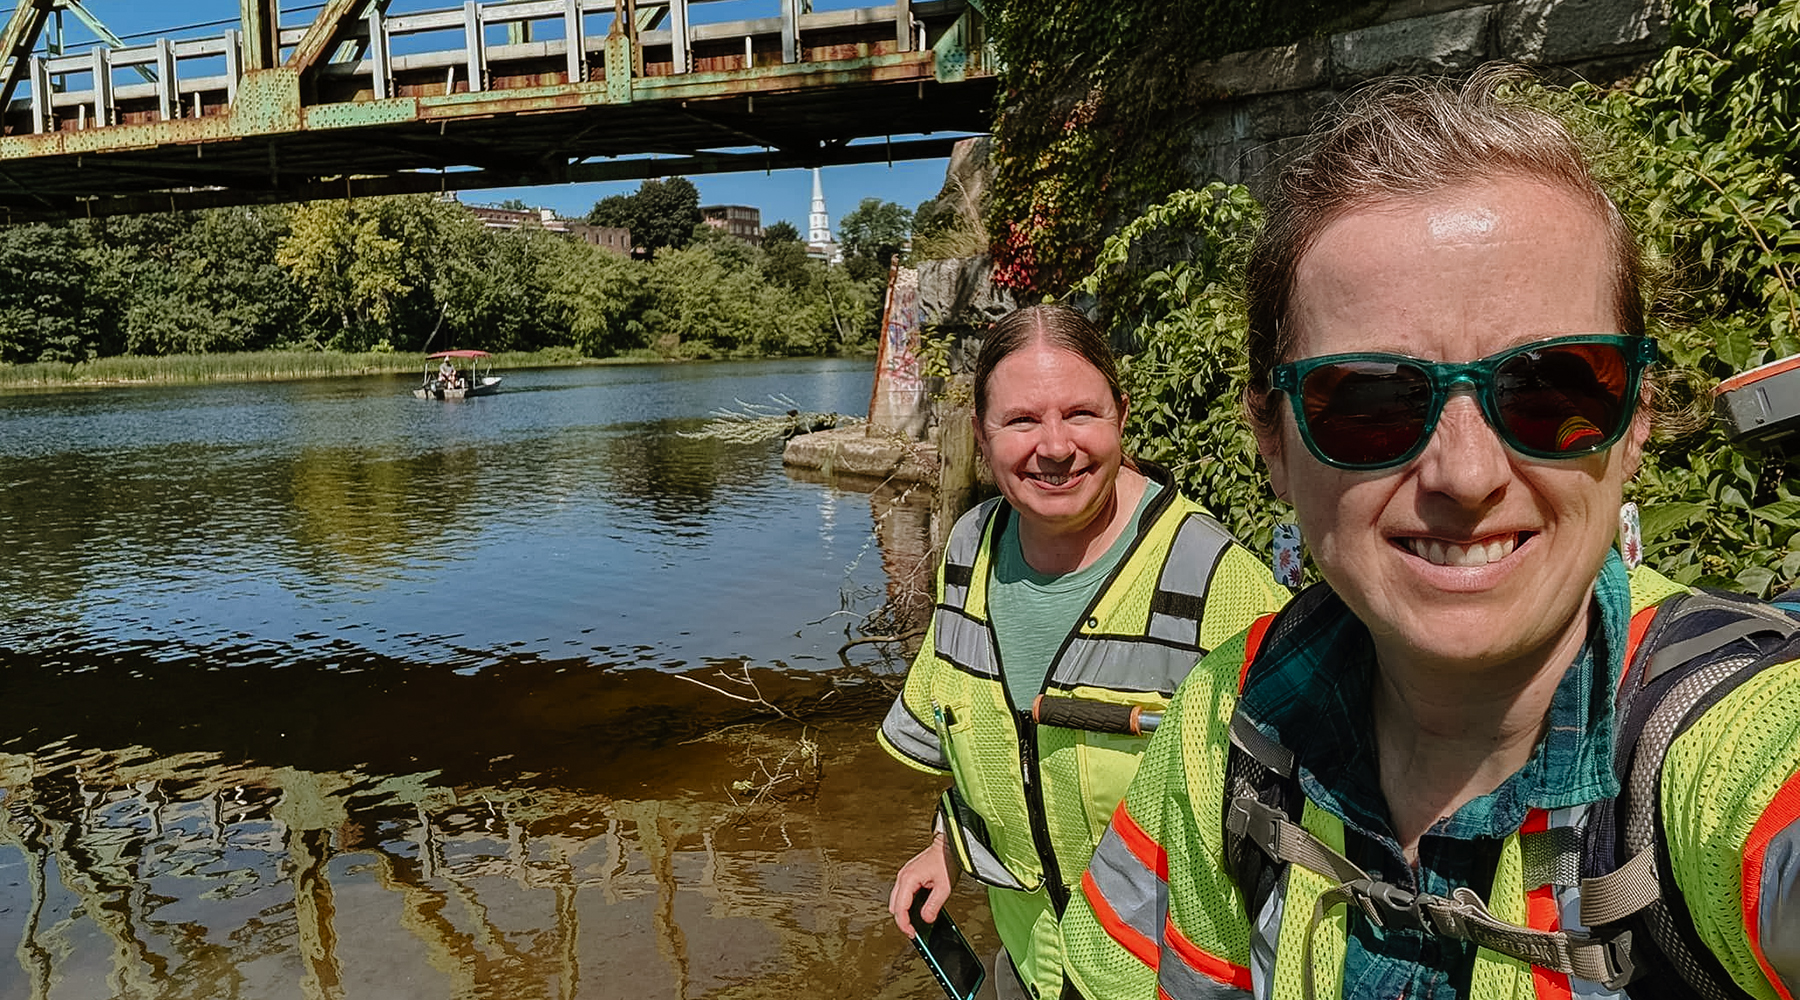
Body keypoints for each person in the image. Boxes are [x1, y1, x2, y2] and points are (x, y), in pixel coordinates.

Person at [1060, 68, 1800, 1000]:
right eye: (1371, 403)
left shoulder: (1714, 739)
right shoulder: (1230, 724)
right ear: (1273, 444)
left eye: (1553, 389)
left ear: (1636, 421)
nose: (1467, 474)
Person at [878, 304, 1290, 998]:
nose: (1056, 446)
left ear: (1121, 416)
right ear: (980, 436)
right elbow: (1004, 749)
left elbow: (1306, 828)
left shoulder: (1212, 581)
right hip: (1030, 969)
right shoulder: (968, 553)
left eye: (1080, 414)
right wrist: (950, 845)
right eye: (1021, 421)